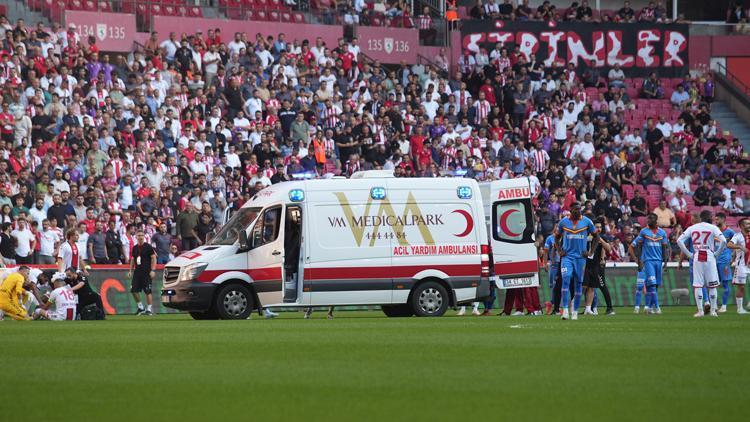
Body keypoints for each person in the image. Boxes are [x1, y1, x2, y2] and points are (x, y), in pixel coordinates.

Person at [677, 210, 727, 317]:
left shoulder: (693, 227)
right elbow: (724, 241)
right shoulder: (713, 228)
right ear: (709, 217)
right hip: (709, 255)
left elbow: (679, 241)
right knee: (712, 285)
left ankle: (700, 311)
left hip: (697, 256)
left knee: (698, 285)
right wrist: (717, 253)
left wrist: (689, 254)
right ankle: (713, 311)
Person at [555, 202, 597, 320]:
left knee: (578, 283)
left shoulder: (587, 221)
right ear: (570, 210)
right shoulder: (563, 222)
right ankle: (565, 311)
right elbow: (556, 237)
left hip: (580, 258)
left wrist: (590, 252)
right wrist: (559, 251)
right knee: (566, 279)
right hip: (567, 257)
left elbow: (596, 237)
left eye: (579, 209)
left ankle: (575, 312)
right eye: (575, 210)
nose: (577, 211)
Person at [633, 213, 670, 315]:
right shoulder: (644, 231)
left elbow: (664, 248)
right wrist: (640, 260)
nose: (648, 221)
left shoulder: (662, 233)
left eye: (650, 219)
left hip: (658, 262)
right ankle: (657, 308)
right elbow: (639, 246)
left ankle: (648, 307)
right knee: (652, 285)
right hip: (648, 261)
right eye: (647, 219)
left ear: (655, 220)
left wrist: (665, 263)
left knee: (654, 286)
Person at [583, 218, 614, 316]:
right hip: (586, 264)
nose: (599, 229)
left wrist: (599, 239)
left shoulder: (602, 237)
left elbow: (608, 249)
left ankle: (610, 308)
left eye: (600, 227)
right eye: (597, 227)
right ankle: (589, 308)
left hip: (597, 266)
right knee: (586, 287)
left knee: (602, 285)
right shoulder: (586, 236)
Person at [129, 230, 156, 316]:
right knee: (133, 290)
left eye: (142, 235)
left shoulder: (148, 246)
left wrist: (153, 270)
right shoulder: (135, 247)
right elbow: (133, 259)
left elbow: (154, 258)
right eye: (138, 235)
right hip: (137, 272)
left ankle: (149, 309)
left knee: (148, 290)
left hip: (146, 272)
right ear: (136, 237)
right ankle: (140, 307)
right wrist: (130, 270)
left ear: (144, 236)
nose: (140, 237)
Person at [726, 218, 750, 314]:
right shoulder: (738, 236)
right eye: (748, 224)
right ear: (742, 226)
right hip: (741, 266)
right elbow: (729, 244)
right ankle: (740, 309)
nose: (749, 225)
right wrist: (740, 247)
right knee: (741, 287)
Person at [714, 213, 735, 313]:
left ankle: (724, 306)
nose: (716, 221)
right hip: (714, 261)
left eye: (717, 219)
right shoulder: (715, 231)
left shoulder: (730, 232)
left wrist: (732, 257)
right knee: (713, 284)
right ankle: (713, 305)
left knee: (725, 284)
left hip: (724, 262)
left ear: (723, 219)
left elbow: (737, 243)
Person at [543, 229, 561, 314]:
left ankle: (553, 304)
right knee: (553, 286)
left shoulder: (565, 237)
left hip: (563, 263)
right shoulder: (550, 238)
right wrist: (545, 263)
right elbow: (546, 252)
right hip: (554, 264)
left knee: (559, 286)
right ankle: (553, 304)